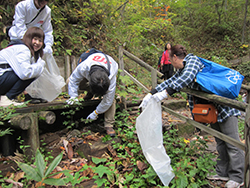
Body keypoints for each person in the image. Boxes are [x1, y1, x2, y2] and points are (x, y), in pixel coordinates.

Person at [139, 44, 244, 188]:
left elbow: (187, 78)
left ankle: (238, 177)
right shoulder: (181, 69)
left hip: (225, 108)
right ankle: (223, 171)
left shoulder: (192, 61)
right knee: (220, 141)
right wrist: (152, 92)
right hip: (212, 109)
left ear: (175, 57)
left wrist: (165, 93)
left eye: (170, 60)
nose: (170, 63)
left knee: (232, 142)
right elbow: (171, 80)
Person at [8, 0, 60, 104]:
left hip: (35, 40)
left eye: (44, 1)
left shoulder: (46, 11)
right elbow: (19, 26)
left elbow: (48, 30)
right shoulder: (22, 6)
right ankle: (19, 94)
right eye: (40, 1)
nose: (41, 4)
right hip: (19, 38)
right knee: (22, 66)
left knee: (38, 65)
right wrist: (29, 43)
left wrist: (48, 45)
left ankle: (35, 94)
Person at [67, 51, 118, 137]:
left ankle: (109, 124)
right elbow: (73, 80)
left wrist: (96, 112)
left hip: (105, 74)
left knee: (111, 99)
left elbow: (108, 100)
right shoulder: (83, 67)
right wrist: (73, 96)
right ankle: (91, 93)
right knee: (68, 81)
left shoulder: (112, 73)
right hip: (90, 74)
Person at [0, 27, 46, 107]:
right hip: (2, 77)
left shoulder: (22, 48)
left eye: (40, 41)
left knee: (33, 71)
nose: (37, 43)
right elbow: (25, 74)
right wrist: (40, 65)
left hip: (3, 77)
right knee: (32, 72)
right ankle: (6, 98)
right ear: (28, 38)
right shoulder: (23, 49)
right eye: (35, 39)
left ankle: (7, 98)